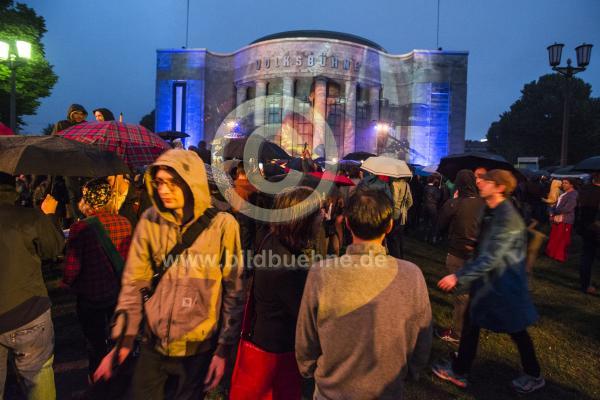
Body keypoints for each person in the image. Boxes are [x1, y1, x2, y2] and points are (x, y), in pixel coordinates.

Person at [93, 149, 245, 399]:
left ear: (192, 183)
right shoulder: (150, 221)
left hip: (197, 349)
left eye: (173, 183)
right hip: (153, 344)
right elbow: (133, 284)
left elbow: (234, 291)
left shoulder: (223, 226)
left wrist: (223, 349)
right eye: (160, 182)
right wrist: (123, 340)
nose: (164, 189)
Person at [296, 189, 432, 399]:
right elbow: (421, 337)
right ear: (389, 226)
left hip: (332, 391)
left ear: (348, 224)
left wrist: (309, 369)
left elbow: (306, 338)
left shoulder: (322, 273)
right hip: (386, 390)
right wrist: (411, 371)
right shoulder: (412, 275)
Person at [433, 170, 544, 394]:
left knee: (517, 331)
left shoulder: (507, 217)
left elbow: (492, 258)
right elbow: (487, 246)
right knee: (472, 323)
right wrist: (476, 244)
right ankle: (460, 370)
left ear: (500, 187)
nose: (479, 182)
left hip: (504, 285)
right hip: (488, 285)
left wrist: (457, 276)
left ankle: (534, 375)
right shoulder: (490, 209)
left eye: (486, 181)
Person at [230, 186, 322, 400]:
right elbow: (306, 317)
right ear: (303, 220)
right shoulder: (289, 268)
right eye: (318, 212)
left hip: (261, 336)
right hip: (277, 354)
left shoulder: (271, 239)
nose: (322, 217)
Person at [0, 172, 65, 399]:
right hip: (30, 311)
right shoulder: (28, 217)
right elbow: (54, 248)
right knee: (39, 379)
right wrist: (47, 217)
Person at [61, 178, 132, 380]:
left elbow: (73, 266)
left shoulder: (80, 228)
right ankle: (122, 375)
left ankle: (100, 379)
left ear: (87, 200)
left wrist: (66, 282)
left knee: (95, 342)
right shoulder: (124, 223)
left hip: (91, 295)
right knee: (118, 336)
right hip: (117, 291)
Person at [435, 169, 485, 344]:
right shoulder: (483, 203)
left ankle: (458, 332)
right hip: (477, 253)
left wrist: (454, 201)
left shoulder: (454, 204)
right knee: (473, 292)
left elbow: (440, 223)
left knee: (462, 295)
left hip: (457, 252)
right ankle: (472, 325)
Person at [576, 172, 600, 294]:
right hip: (595, 227)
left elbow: (577, 209)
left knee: (587, 256)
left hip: (586, 227)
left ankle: (585, 285)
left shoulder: (583, 190)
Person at [545, 178, 578, 262]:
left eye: (566, 183)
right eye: (563, 183)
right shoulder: (565, 193)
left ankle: (559, 255)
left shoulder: (573, 194)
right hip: (559, 218)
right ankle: (553, 253)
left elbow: (568, 208)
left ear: (571, 184)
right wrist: (552, 212)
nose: (563, 184)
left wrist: (555, 211)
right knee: (556, 237)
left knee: (562, 239)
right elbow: (557, 204)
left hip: (565, 219)